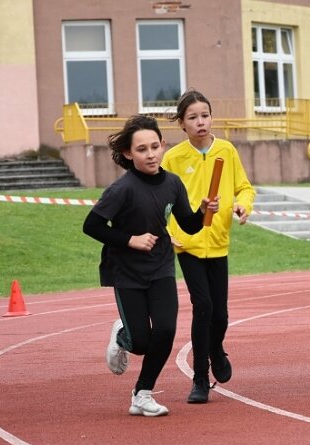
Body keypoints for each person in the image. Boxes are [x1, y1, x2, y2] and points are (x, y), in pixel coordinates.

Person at [82, 114, 216, 416]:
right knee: (141, 342)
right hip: (126, 271)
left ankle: (142, 393)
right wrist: (131, 239)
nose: (151, 154)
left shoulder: (172, 183)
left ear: (163, 146)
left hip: (160, 268)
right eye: (142, 149)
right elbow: (92, 226)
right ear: (129, 153)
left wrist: (204, 211)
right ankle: (122, 335)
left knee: (166, 329)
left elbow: (190, 226)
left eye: (155, 146)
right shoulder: (122, 189)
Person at [162, 88, 256, 404]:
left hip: (218, 242)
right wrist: (165, 231)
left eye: (205, 115)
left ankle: (216, 348)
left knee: (221, 315)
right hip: (187, 244)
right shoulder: (174, 158)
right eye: (193, 118)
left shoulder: (226, 151)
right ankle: (200, 379)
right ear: (182, 124)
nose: (200, 122)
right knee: (202, 307)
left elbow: (244, 188)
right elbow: (161, 200)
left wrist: (243, 206)